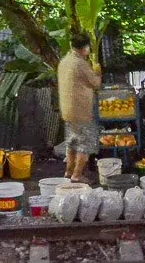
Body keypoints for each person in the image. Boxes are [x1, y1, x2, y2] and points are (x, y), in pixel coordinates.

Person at [57, 33, 102, 183]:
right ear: (85, 48)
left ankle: (68, 172)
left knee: (72, 142)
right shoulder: (80, 64)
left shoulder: (64, 61)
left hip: (67, 110)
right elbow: (95, 83)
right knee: (85, 144)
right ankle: (77, 175)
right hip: (81, 111)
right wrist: (98, 72)